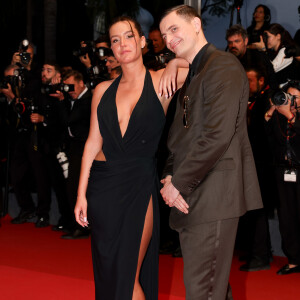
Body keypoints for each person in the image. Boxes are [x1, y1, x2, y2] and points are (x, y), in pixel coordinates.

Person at [74, 16, 187, 299]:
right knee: (112, 276)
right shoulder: (102, 90)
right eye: (115, 40)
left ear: (142, 42)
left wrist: (175, 61)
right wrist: (81, 194)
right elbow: (91, 143)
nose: (122, 44)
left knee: (127, 277)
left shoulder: (162, 80)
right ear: (111, 49)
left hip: (139, 187)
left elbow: (205, 64)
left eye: (128, 36)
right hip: (102, 189)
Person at [159, 5, 262, 299]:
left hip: (213, 195)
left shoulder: (223, 66)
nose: (168, 39)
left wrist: (177, 183)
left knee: (203, 291)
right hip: (194, 195)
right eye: (164, 34)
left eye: (174, 29)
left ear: (196, 24)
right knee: (212, 288)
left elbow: (217, 136)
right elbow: (177, 140)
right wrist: (168, 176)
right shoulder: (196, 72)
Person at [264, 80, 300, 275]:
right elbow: (266, 137)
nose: (291, 101)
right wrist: (271, 111)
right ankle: (294, 259)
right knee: (286, 218)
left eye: (295, 97)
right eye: (289, 96)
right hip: (282, 172)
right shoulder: (278, 117)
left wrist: (291, 117)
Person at [253, 23, 300, 88]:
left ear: (278, 36)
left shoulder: (285, 50)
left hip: (288, 91)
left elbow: (271, 70)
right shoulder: (273, 52)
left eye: (268, 37)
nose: (266, 40)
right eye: (265, 37)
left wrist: (263, 50)